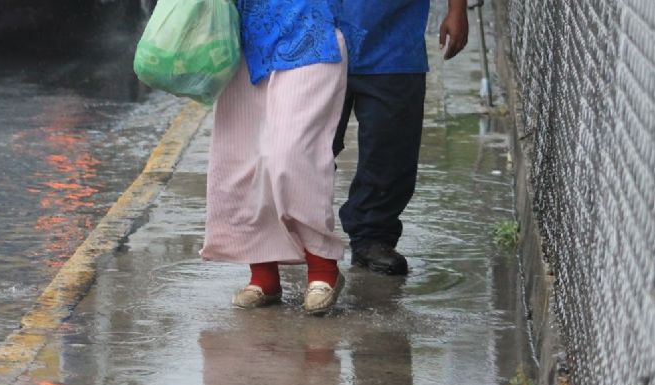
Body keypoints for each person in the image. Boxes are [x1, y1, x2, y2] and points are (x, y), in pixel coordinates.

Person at [200, 0, 350, 315]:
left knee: (292, 154)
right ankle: (263, 275)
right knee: (244, 158)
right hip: (241, 41)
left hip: (312, 34)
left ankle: (323, 267)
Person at [334, 0, 469, 275]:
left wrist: (457, 10)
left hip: (394, 37)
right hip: (313, 35)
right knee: (304, 146)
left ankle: (373, 237)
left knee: (392, 147)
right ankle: (299, 231)